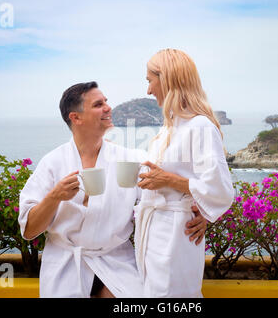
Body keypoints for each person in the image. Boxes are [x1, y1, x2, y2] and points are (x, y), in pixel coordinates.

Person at [18, 81, 207, 298]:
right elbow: (29, 230)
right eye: (98, 104)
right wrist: (55, 197)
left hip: (117, 261)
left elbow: (166, 190)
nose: (108, 108)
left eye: (106, 102)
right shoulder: (52, 164)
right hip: (66, 264)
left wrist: (199, 211)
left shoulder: (130, 160)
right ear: (75, 117)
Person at [134, 49, 235, 297]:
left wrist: (169, 181)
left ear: (167, 79)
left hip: (176, 236)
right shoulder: (168, 130)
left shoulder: (200, 126)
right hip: (154, 232)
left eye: (150, 81)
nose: (148, 90)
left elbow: (220, 189)